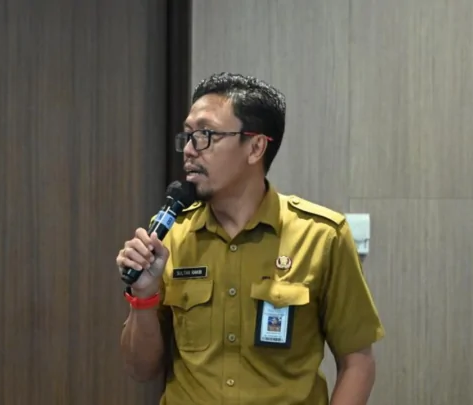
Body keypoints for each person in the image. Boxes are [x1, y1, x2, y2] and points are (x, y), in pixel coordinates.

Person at [117, 72, 384, 405]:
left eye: (205, 135)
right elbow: (141, 369)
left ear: (256, 147)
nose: (188, 150)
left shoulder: (321, 236)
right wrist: (143, 297)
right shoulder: (170, 238)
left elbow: (358, 363)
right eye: (187, 136)